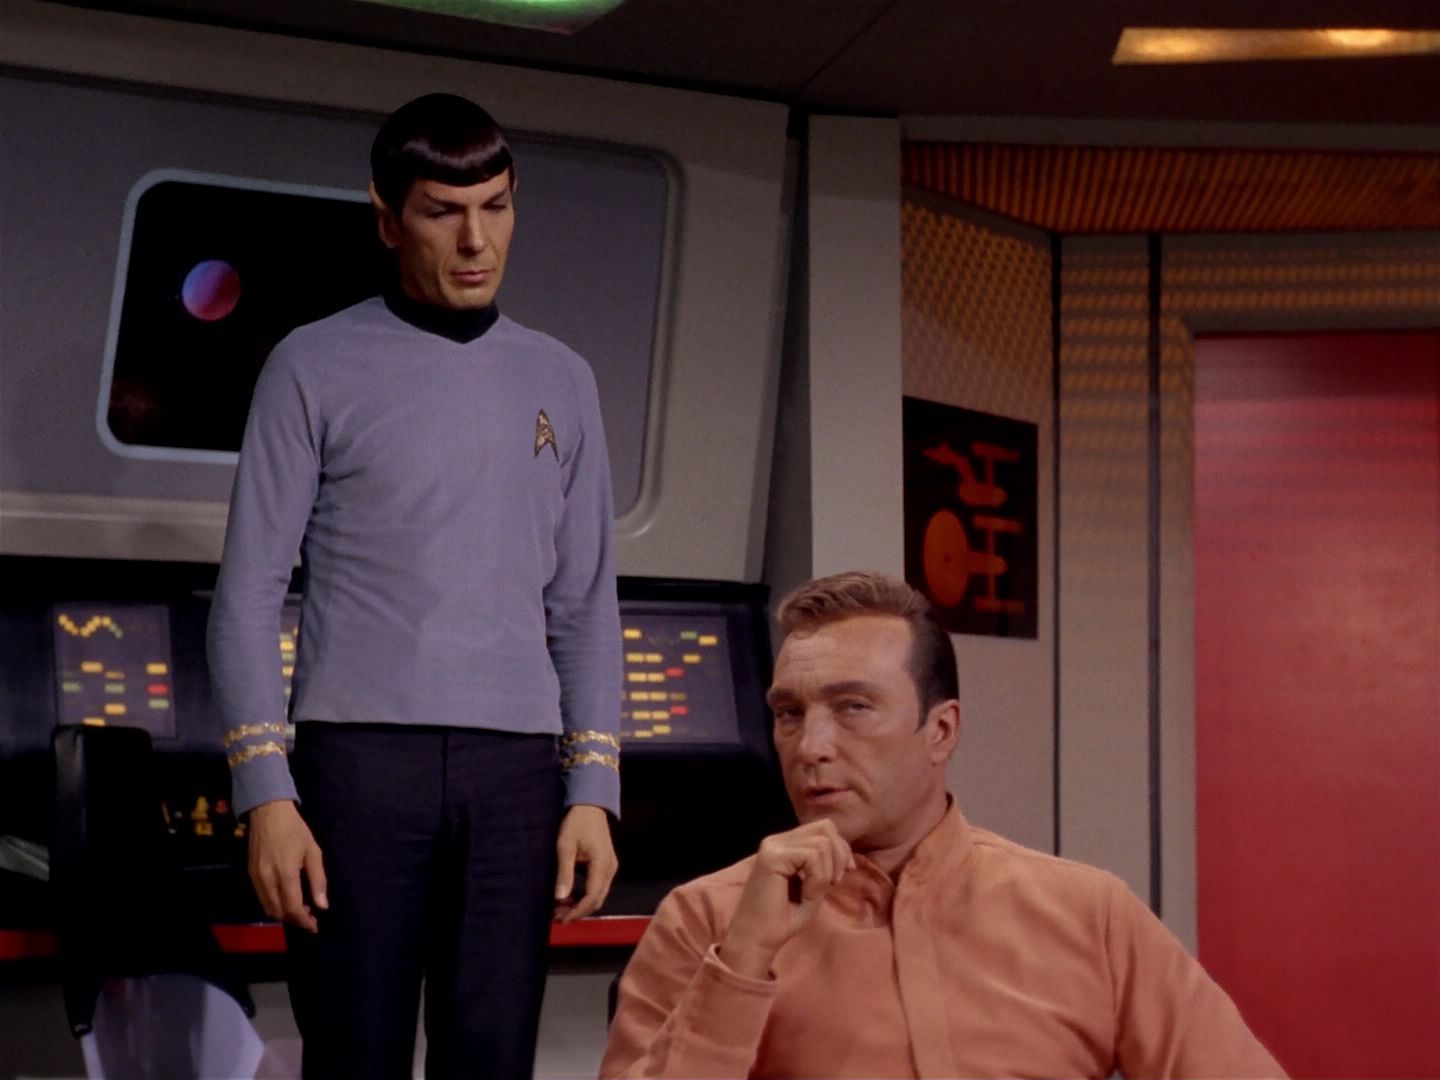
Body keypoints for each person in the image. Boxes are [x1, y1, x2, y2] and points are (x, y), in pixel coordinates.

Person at [208, 93, 622, 1080]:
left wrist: (594, 792)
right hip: (357, 773)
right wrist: (266, 793)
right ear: (388, 218)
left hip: (518, 778)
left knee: (493, 1059)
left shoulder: (564, 378)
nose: (477, 241)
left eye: (497, 207)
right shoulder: (310, 365)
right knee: (354, 1057)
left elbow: (584, 603)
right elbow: (248, 593)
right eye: (444, 211)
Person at [601, 571, 1285, 1079]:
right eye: (789, 714)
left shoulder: (1088, 915)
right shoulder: (705, 922)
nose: (810, 746)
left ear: (941, 731)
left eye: (853, 708)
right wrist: (742, 962)